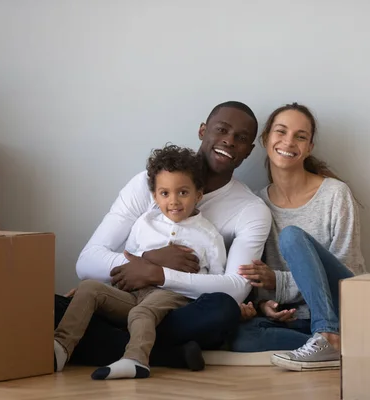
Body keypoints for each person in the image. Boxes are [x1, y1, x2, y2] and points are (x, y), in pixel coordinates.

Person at [55, 101, 272, 370]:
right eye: (222, 130)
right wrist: (147, 261)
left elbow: (237, 287)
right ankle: (166, 356)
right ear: (203, 131)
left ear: (248, 151)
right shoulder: (146, 184)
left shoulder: (250, 209)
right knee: (51, 306)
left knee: (223, 310)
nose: (229, 141)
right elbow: (87, 263)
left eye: (240, 138)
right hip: (131, 299)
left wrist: (160, 275)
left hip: (180, 312)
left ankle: (113, 346)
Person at [54, 145, 227, 380]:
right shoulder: (144, 223)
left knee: (142, 312)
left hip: (172, 296)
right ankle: (60, 348)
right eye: (165, 193)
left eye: (183, 193)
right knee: (89, 288)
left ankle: (135, 360)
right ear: (155, 196)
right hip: (135, 294)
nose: (174, 201)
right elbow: (131, 264)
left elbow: (218, 281)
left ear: (198, 194)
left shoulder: (209, 236)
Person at [233, 102, 366, 372]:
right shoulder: (256, 205)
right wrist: (263, 304)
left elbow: (348, 272)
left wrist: (279, 281)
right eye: (281, 132)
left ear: (309, 148)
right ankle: (330, 345)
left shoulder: (335, 194)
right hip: (292, 318)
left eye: (300, 136)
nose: (288, 142)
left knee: (293, 237)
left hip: (341, 307)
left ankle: (328, 333)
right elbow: (258, 277)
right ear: (266, 139)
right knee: (236, 335)